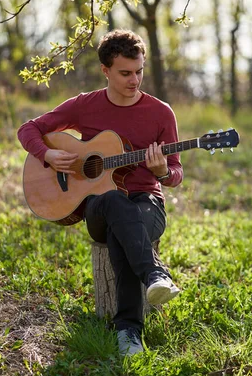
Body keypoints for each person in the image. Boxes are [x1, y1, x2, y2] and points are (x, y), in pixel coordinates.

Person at [17, 29, 182, 357]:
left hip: (148, 203)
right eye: (125, 73)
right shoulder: (85, 106)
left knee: (126, 223)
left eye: (139, 71)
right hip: (98, 209)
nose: (134, 81)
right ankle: (154, 275)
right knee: (111, 199)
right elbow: (28, 129)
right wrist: (47, 155)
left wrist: (162, 171)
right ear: (105, 70)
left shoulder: (161, 112)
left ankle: (127, 331)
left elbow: (175, 174)